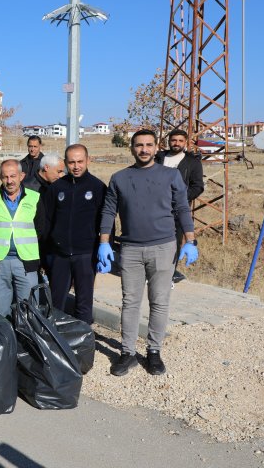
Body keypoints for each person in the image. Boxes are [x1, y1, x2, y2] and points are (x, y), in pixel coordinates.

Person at [98, 129, 198, 376]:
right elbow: (109, 211)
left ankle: (154, 351)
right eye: (139, 145)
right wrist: (104, 243)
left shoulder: (171, 175)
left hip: (164, 248)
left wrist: (190, 240)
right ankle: (127, 353)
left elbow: (182, 208)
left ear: (156, 147)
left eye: (149, 145)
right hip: (130, 249)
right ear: (132, 148)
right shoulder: (119, 178)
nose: (144, 149)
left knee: (159, 302)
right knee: (130, 302)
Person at [43, 144, 106, 324]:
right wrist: (46, 252)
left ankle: (83, 337)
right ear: (65, 163)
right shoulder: (56, 188)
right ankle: (55, 336)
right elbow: (47, 221)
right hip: (60, 255)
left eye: (80, 161)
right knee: (56, 303)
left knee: (84, 304)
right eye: (71, 162)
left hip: (86, 255)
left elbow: (105, 221)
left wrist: (105, 247)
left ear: (88, 160)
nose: (76, 166)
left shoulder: (98, 187)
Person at [0, 159, 45, 315]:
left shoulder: (35, 198)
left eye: (13, 176)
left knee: (29, 312)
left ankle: (24, 332)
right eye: (5, 177)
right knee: (0, 313)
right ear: (0, 177)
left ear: (21, 176)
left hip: (25, 262)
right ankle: (4, 332)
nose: (9, 181)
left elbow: (40, 228)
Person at [158, 129, 205, 283]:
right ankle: (151, 271)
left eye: (180, 141)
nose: (176, 143)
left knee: (174, 242)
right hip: (155, 207)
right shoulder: (158, 158)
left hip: (177, 210)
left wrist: (181, 199)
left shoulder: (192, 162)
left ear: (185, 143)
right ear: (168, 141)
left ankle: (169, 274)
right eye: (173, 140)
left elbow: (197, 186)